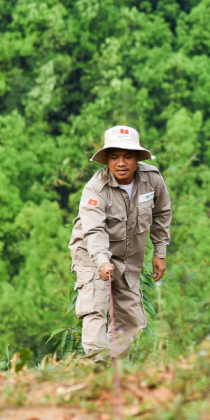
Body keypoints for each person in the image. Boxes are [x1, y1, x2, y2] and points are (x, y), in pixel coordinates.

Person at [69, 125, 172, 361]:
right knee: (95, 311)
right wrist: (101, 261)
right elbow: (93, 231)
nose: (121, 163)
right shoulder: (96, 189)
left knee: (130, 322)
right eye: (114, 157)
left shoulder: (152, 179)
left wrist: (160, 252)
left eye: (127, 156)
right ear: (107, 160)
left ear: (138, 158)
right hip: (92, 257)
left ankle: (116, 370)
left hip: (128, 260)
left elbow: (162, 213)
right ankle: (98, 366)